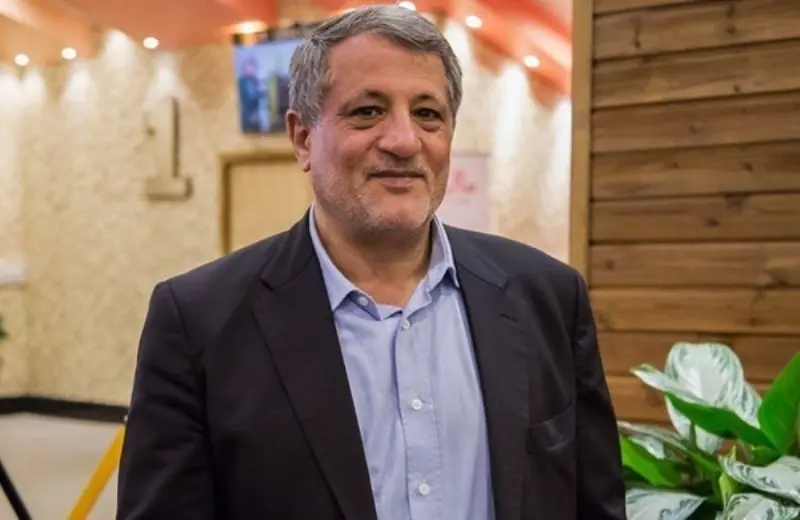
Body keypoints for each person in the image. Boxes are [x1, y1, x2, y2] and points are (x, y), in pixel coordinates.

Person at [116, 5, 625, 520]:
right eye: (367, 111)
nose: (404, 141)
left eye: (427, 113)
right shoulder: (198, 323)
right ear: (302, 138)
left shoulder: (548, 298)